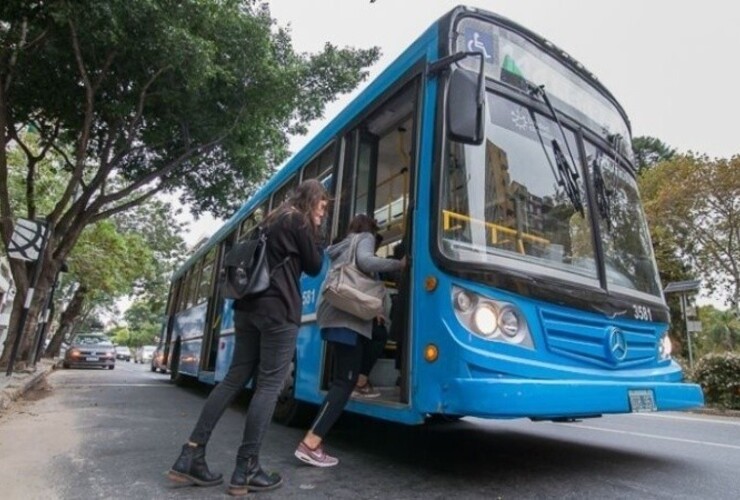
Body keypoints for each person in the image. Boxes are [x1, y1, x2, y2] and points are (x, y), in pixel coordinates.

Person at [167, 179, 329, 496]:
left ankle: (191, 454)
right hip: (279, 310)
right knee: (269, 386)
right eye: (322, 208)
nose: (323, 213)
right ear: (312, 201)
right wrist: (317, 232)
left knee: (232, 380)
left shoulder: (271, 219)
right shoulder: (298, 220)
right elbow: (314, 265)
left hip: (247, 308)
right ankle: (246, 469)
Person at [294, 214, 405, 467]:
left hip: (336, 318)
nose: (374, 242)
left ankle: (359, 383)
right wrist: (398, 265)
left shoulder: (341, 246)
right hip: (347, 321)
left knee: (352, 368)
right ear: (370, 230)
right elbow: (366, 261)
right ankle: (310, 443)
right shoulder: (363, 238)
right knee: (344, 383)